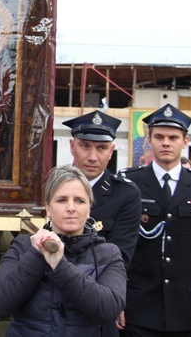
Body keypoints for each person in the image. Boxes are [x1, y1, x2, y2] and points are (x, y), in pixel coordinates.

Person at [120, 103, 191, 336]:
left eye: (173, 137)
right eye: (159, 136)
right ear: (148, 140)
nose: (166, 143)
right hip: (138, 306)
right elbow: (119, 250)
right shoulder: (131, 183)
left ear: (185, 141)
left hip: (186, 308)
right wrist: (116, 300)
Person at [0, 165, 127, 335]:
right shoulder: (23, 246)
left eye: (79, 200)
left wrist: (60, 266)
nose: (71, 208)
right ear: (47, 207)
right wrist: (38, 254)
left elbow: (109, 310)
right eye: (61, 200)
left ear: (89, 207)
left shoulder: (108, 253)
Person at [62, 110, 141, 267]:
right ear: (72, 146)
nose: (92, 157)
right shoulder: (51, 186)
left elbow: (119, 259)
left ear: (111, 151)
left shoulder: (125, 194)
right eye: (85, 146)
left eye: (101, 148)